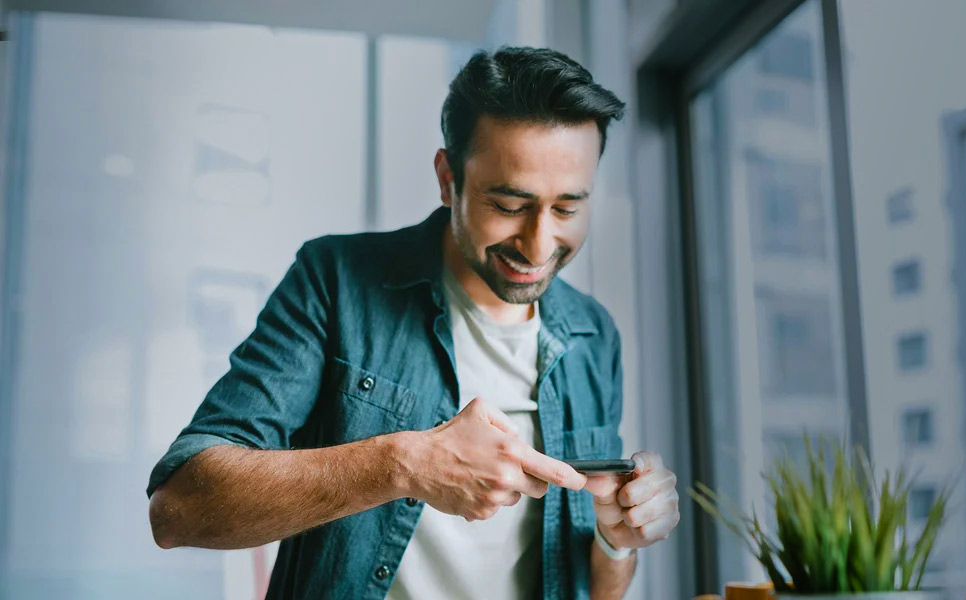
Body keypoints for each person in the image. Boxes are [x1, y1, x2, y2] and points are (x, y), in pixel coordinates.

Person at [145, 46, 677, 600]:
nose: (539, 244)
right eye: (509, 204)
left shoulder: (595, 334)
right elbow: (179, 508)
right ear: (448, 180)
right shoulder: (335, 280)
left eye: (567, 209)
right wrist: (405, 464)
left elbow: (598, 589)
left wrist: (618, 541)